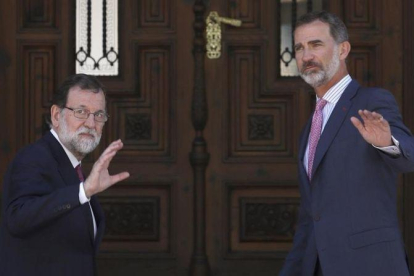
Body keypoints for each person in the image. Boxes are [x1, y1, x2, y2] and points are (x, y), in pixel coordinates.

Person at [279, 11, 414, 276]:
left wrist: (387, 142)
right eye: (299, 48)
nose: (306, 56)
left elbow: (409, 155)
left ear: (343, 49)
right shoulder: (309, 128)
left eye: (316, 45)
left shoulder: (372, 102)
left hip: (370, 264)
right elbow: (311, 216)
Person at [0, 74, 130, 275]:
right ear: (56, 116)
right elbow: (18, 219)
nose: (90, 123)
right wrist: (83, 191)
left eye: (99, 115)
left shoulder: (73, 166)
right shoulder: (34, 157)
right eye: (81, 112)